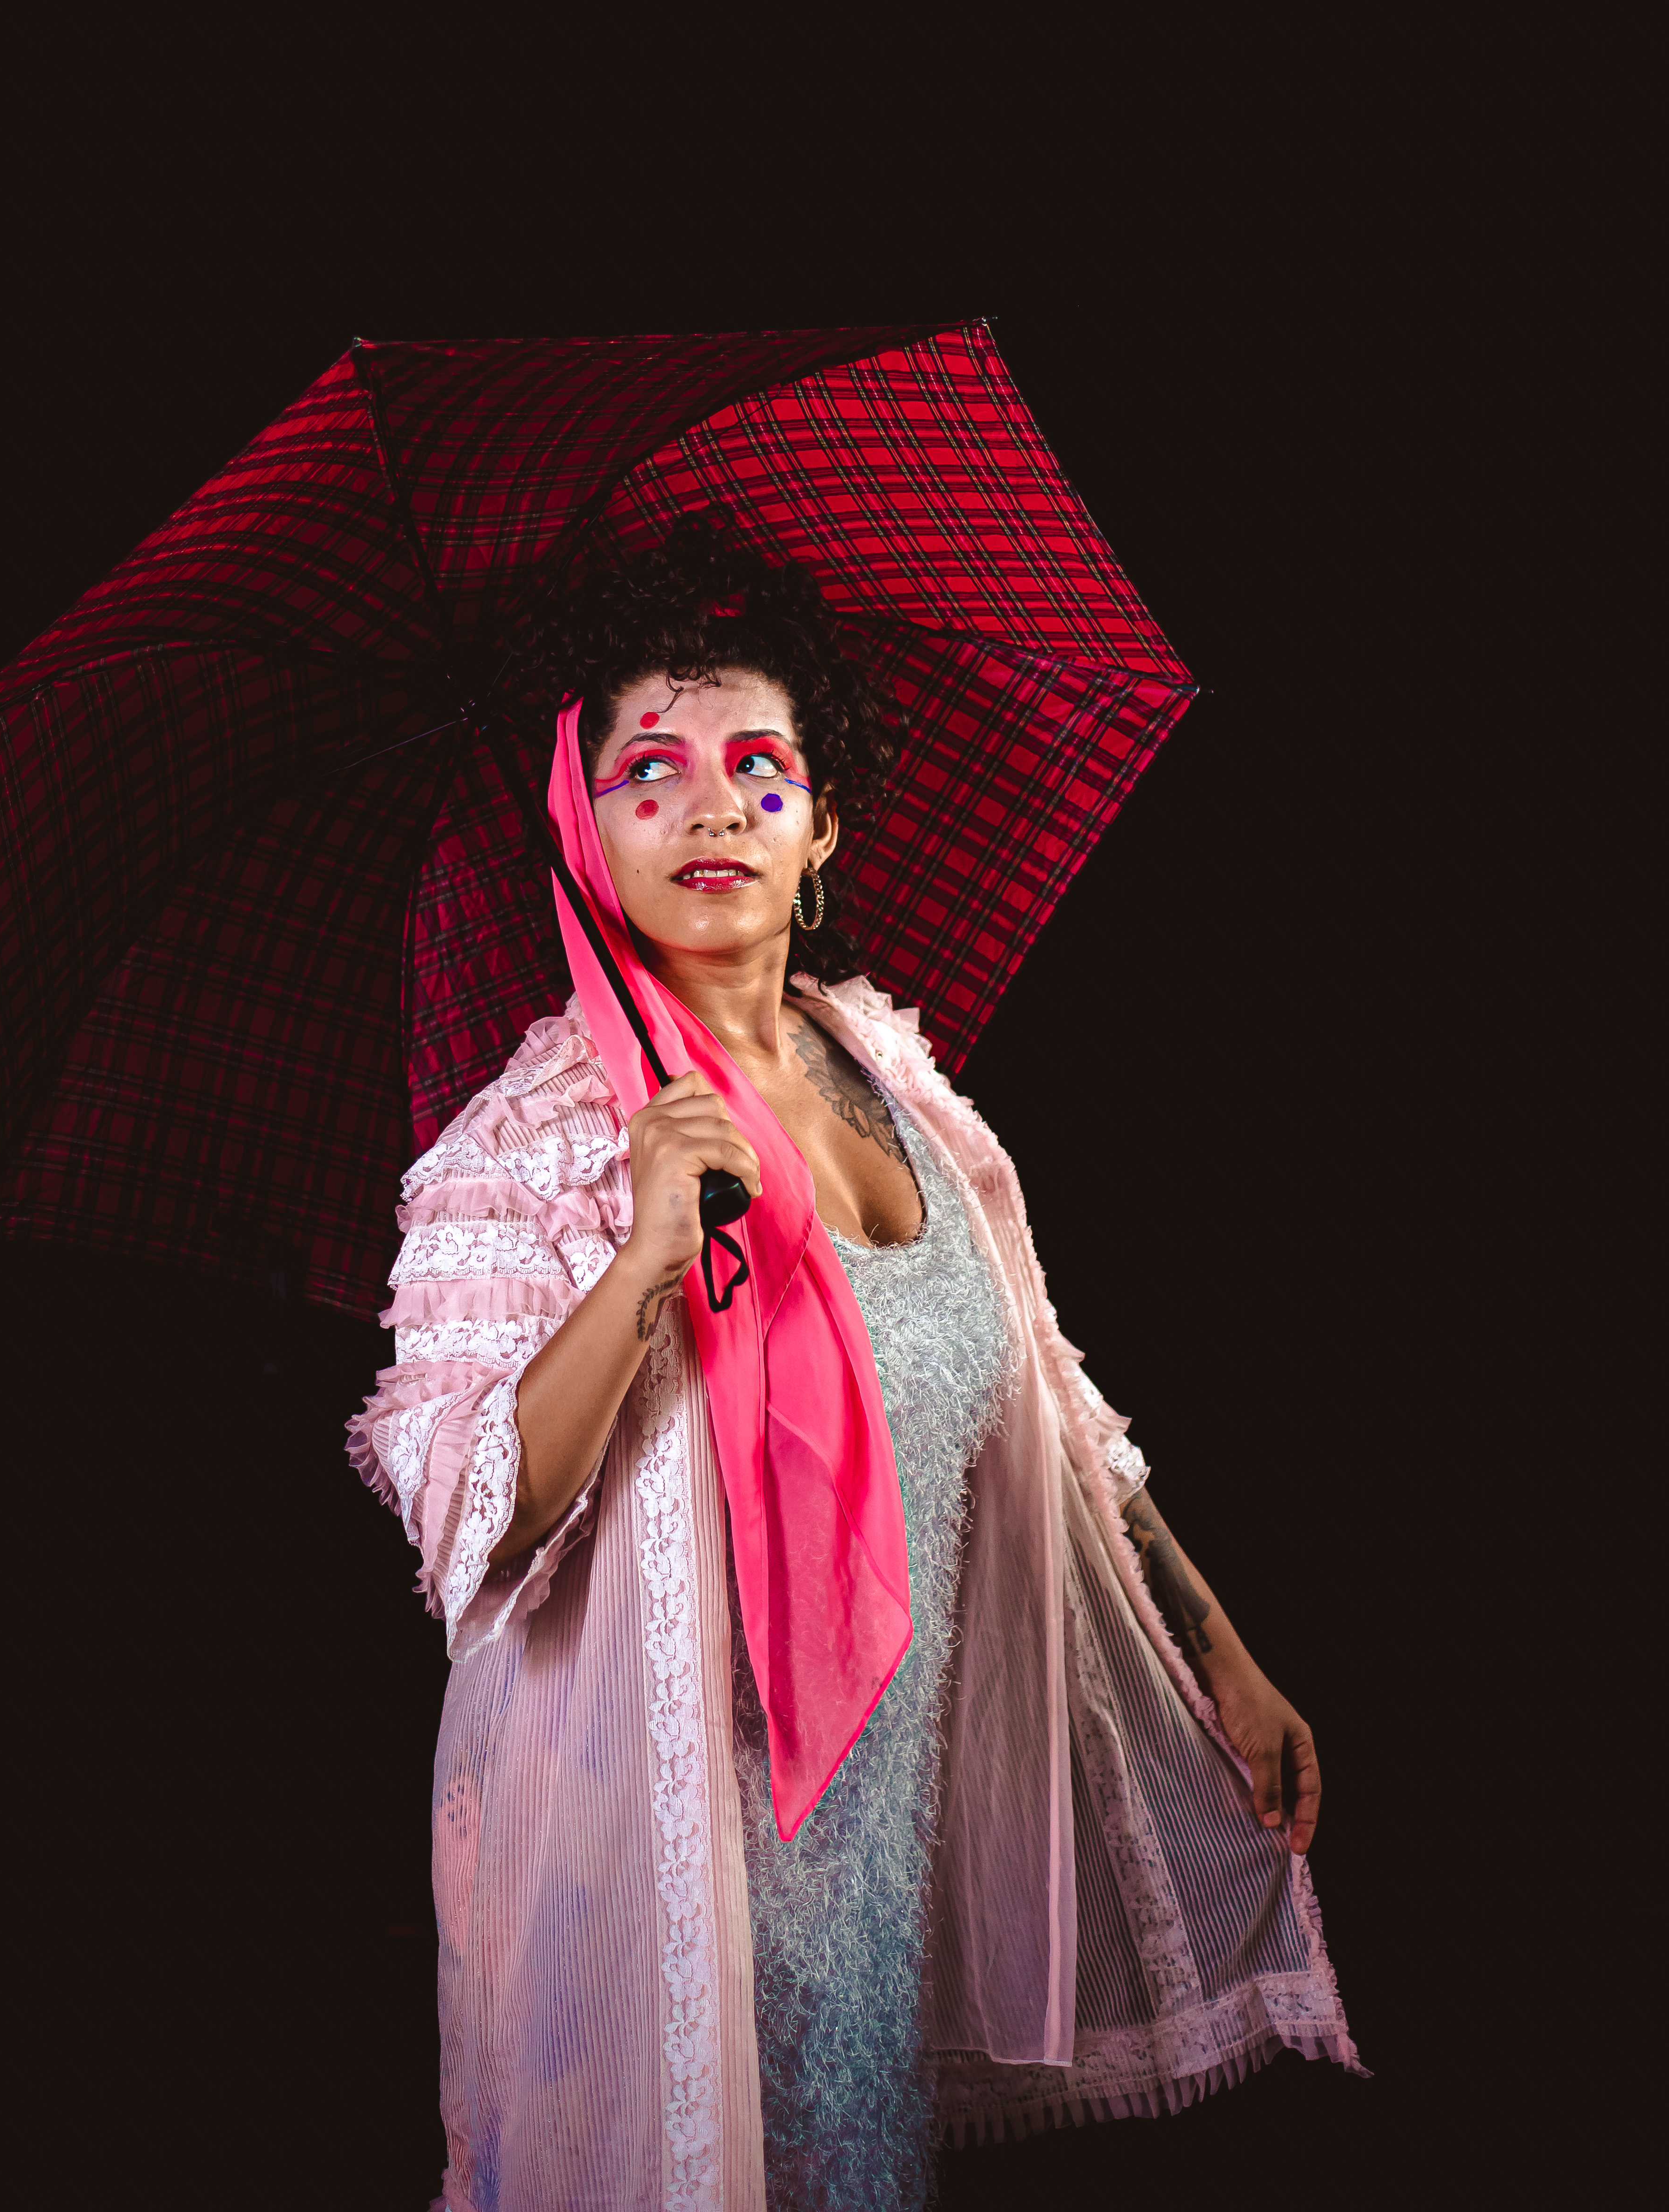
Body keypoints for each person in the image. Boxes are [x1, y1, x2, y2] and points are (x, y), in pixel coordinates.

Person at [349, 519, 1358, 2212]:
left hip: (870, 1850)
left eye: (759, 768)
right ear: (583, 826)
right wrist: (640, 1264)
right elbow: (473, 1520)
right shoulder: (529, 1141)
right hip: (640, 1863)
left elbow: (1043, 1392)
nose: (710, 809)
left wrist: (1218, 1646)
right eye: (648, 771)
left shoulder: (890, 1071)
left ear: (820, 826)